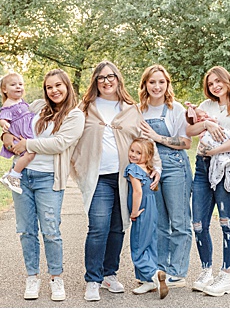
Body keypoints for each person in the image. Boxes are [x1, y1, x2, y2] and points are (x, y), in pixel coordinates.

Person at [70, 61, 161, 302]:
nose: (106, 81)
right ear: (95, 82)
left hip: (125, 179)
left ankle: (110, 274)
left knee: (118, 227)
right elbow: (70, 137)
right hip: (98, 177)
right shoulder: (85, 108)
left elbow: (145, 140)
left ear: (118, 79)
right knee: (98, 228)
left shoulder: (131, 109)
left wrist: (156, 167)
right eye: (101, 78)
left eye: (110, 77)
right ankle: (92, 279)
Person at [1, 69, 84, 301]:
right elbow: (14, 124)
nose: (54, 90)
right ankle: (32, 277)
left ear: (67, 87)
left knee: (50, 230)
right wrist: (5, 137)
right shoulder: (37, 107)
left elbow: (60, 143)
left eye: (58, 85)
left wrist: (29, 143)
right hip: (22, 175)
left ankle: (56, 278)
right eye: (49, 87)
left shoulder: (75, 116)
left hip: (48, 178)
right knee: (26, 230)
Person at [186, 66, 230, 296]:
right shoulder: (206, 106)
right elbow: (190, 129)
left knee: (227, 222)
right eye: (210, 83)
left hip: (229, 168)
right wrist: (207, 123)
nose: (215, 86)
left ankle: (226, 276)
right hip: (202, 169)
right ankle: (206, 270)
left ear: (228, 80)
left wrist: (214, 151)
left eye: (218, 81)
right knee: (198, 223)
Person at [137, 64, 193, 289]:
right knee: (158, 223)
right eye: (152, 82)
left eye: (161, 82)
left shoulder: (175, 109)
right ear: (145, 85)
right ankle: (160, 271)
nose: (157, 86)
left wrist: (157, 137)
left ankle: (178, 272)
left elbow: (186, 143)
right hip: (152, 169)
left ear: (167, 84)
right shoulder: (140, 110)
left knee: (179, 221)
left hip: (175, 167)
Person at [125, 138, 169, 299]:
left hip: (142, 211)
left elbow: (137, 192)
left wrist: (134, 212)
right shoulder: (148, 170)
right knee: (150, 243)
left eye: (139, 152)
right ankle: (147, 281)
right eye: (132, 151)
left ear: (148, 156)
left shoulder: (133, 169)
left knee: (138, 246)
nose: (134, 155)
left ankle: (154, 273)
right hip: (152, 210)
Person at [184, 102, 230, 192]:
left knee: (226, 202)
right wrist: (206, 124)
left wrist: (214, 151)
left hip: (225, 155)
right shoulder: (206, 104)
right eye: (210, 86)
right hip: (203, 162)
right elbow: (189, 131)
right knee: (199, 204)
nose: (205, 114)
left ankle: (229, 182)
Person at [0, 72, 37, 194]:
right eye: (13, 85)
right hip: (18, 136)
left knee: (25, 154)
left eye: (20, 84)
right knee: (29, 154)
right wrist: (4, 124)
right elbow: (1, 117)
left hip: (25, 134)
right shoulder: (8, 104)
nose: (18, 87)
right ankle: (14, 175)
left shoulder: (22, 102)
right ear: (4, 89)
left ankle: (10, 174)